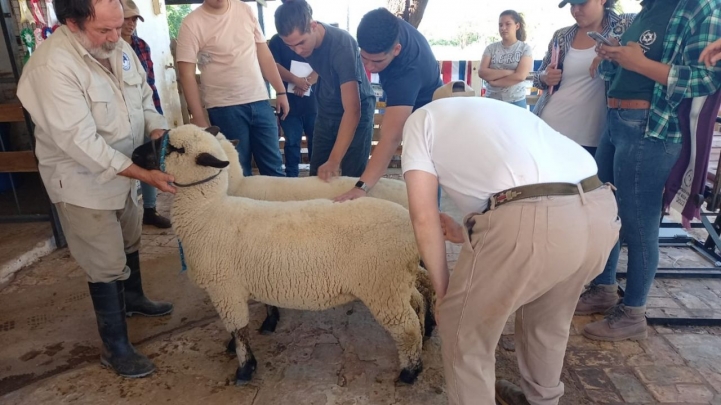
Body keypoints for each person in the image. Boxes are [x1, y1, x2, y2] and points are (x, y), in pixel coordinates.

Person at [401, 81, 620, 404]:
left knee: (464, 333)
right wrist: (465, 233)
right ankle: (541, 400)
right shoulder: (506, 112)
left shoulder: (422, 120)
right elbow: (526, 189)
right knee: (548, 318)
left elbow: (423, 218)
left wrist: (445, 295)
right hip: (599, 211)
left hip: (534, 221)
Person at [17, 0, 175, 378]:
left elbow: (143, 99)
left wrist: (156, 128)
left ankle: (134, 298)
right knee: (104, 261)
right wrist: (143, 173)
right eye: (103, 30)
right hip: (82, 182)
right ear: (71, 22)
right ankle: (115, 347)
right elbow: (81, 142)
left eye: (117, 27)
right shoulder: (51, 67)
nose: (114, 37)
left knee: (130, 235)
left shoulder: (117, 48)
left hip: (126, 173)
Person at [578, 0, 721, 342]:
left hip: (652, 127)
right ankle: (604, 287)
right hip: (616, 120)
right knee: (608, 213)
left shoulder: (700, 7)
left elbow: (705, 79)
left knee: (638, 222)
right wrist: (612, 57)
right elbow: (625, 70)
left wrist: (639, 63)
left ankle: (633, 313)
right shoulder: (646, 9)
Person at [333, 7, 442, 203]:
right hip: (413, 89)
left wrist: (361, 187)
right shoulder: (383, 25)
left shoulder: (406, 73)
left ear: (396, 50)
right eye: (364, 58)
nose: (369, 67)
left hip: (430, 110)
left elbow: (391, 138)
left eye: (377, 61)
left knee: (424, 170)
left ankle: (433, 216)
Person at [176, 0, 288, 177]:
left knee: (274, 166)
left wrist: (280, 91)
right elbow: (186, 74)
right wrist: (198, 117)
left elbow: (264, 54)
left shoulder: (245, 10)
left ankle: (277, 205)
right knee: (238, 171)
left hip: (259, 101)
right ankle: (244, 206)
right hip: (224, 108)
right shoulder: (191, 23)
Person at [274, 0, 376, 180]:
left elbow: (353, 110)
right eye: (290, 46)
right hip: (326, 108)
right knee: (318, 175)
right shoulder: (303, 44)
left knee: (351, 178)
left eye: (300, 43)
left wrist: (335, 160)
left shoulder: (342, 45)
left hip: (356, 110)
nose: (297, 51)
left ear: (313, 26)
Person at [534, 0, 635, 156]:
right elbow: (538, 77)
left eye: (582, 3)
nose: (576, 10)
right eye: (572, 5)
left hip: (594, 136)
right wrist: (545, 77)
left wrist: (612, 55)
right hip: (547, 127)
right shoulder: (561, 36)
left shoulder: (626, 26)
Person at [119, 0, 171, 228]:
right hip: (122, 118)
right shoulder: (107, 49)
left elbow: (148, 85)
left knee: (151, 160)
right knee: (125, 159)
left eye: (134, 19)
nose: (130, 24)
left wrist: (156, 117)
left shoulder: (141, 46)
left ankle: (149, 209)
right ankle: (124, 215)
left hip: (148, 112)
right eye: (126, 18)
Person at [268, 32, 318, 177]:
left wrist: (306, 83)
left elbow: (321, 66)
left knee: (316, 141)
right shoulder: (277, 40)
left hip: (314, 102)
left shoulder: (312, 37)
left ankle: (316, 177)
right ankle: (291, 178)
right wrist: (297, 81)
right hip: (287, 102)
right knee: (292, 142)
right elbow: (273, 66)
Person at [478, 10, 533, 108]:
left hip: (516, 102)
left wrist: (495, 82)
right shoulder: (491, 48)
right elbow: (482, 72)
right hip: (491, 101)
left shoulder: (525, 49)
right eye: (500, 25)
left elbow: (520, 76)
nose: (503, 28)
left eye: (508, 24)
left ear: (517, 26)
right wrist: (510, 72)